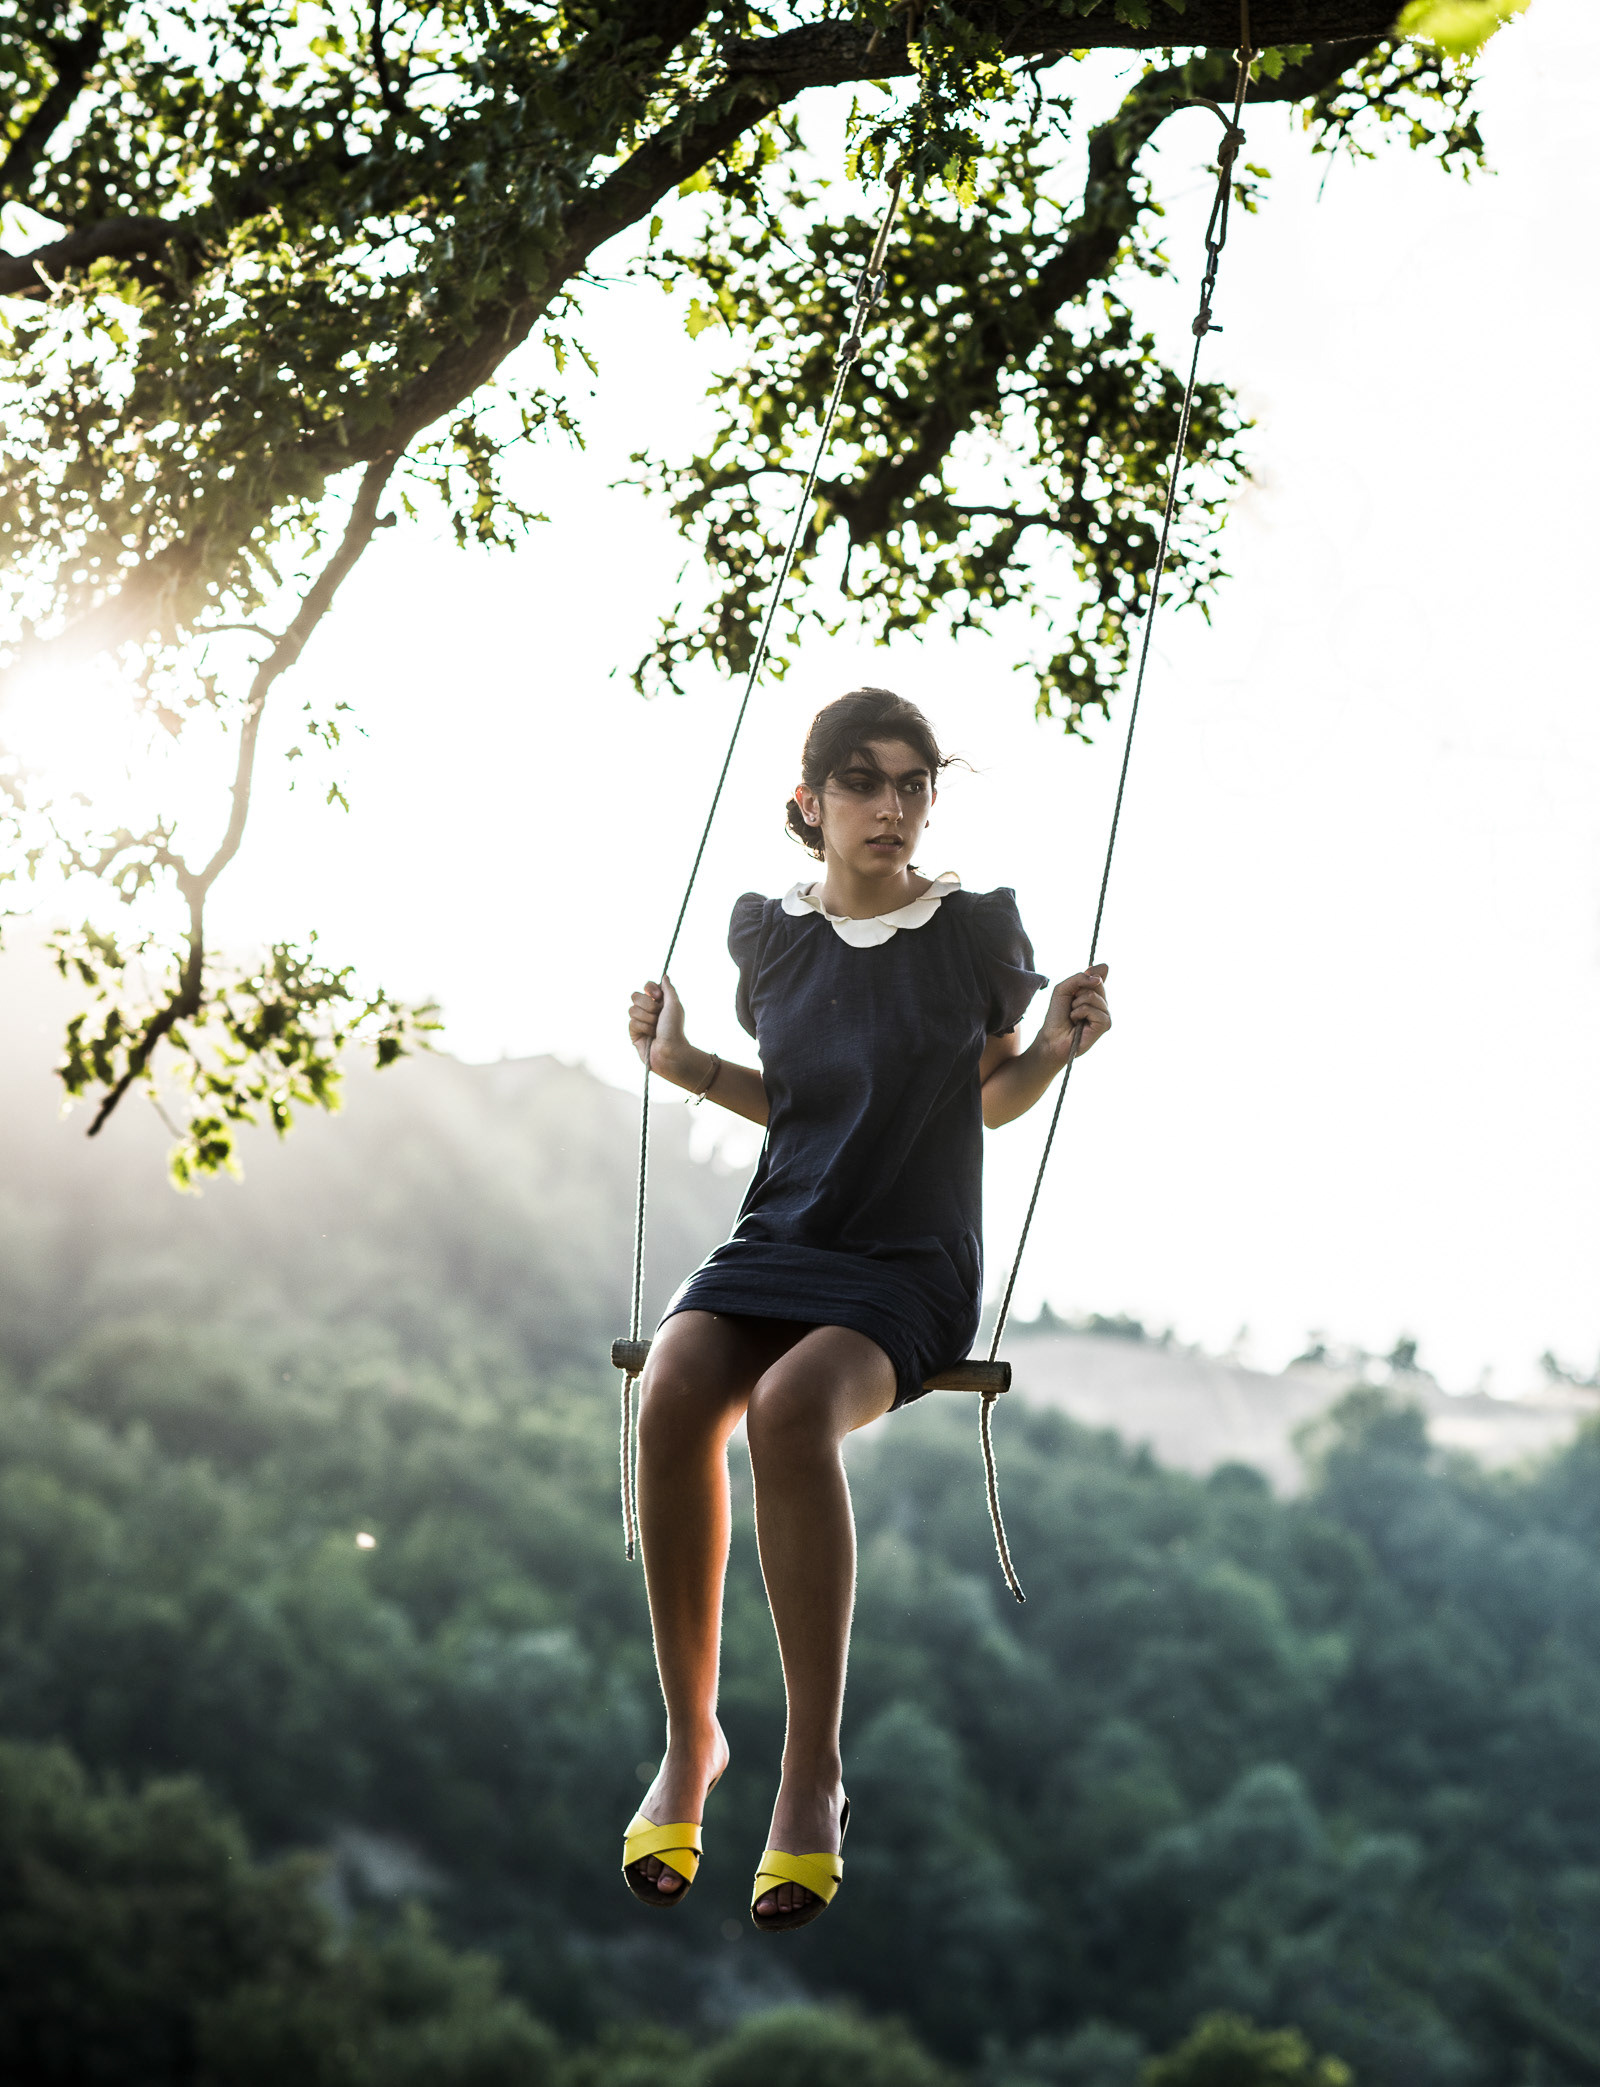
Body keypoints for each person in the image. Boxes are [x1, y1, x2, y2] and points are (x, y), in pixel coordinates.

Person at [622, 687, 1112, 1931]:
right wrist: (682, 1068)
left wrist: (1051, 1044)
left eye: (911, 783)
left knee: (788, 1412)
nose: (891, 806)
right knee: (674, 1387)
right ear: (810, 802)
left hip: (907, 1260)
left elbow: (987, 1101)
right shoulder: (770, 940)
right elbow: (798, 1105)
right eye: (862, 781)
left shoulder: (973, 934)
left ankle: (811, 1768)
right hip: (778, 1236)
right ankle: (692, 1742)